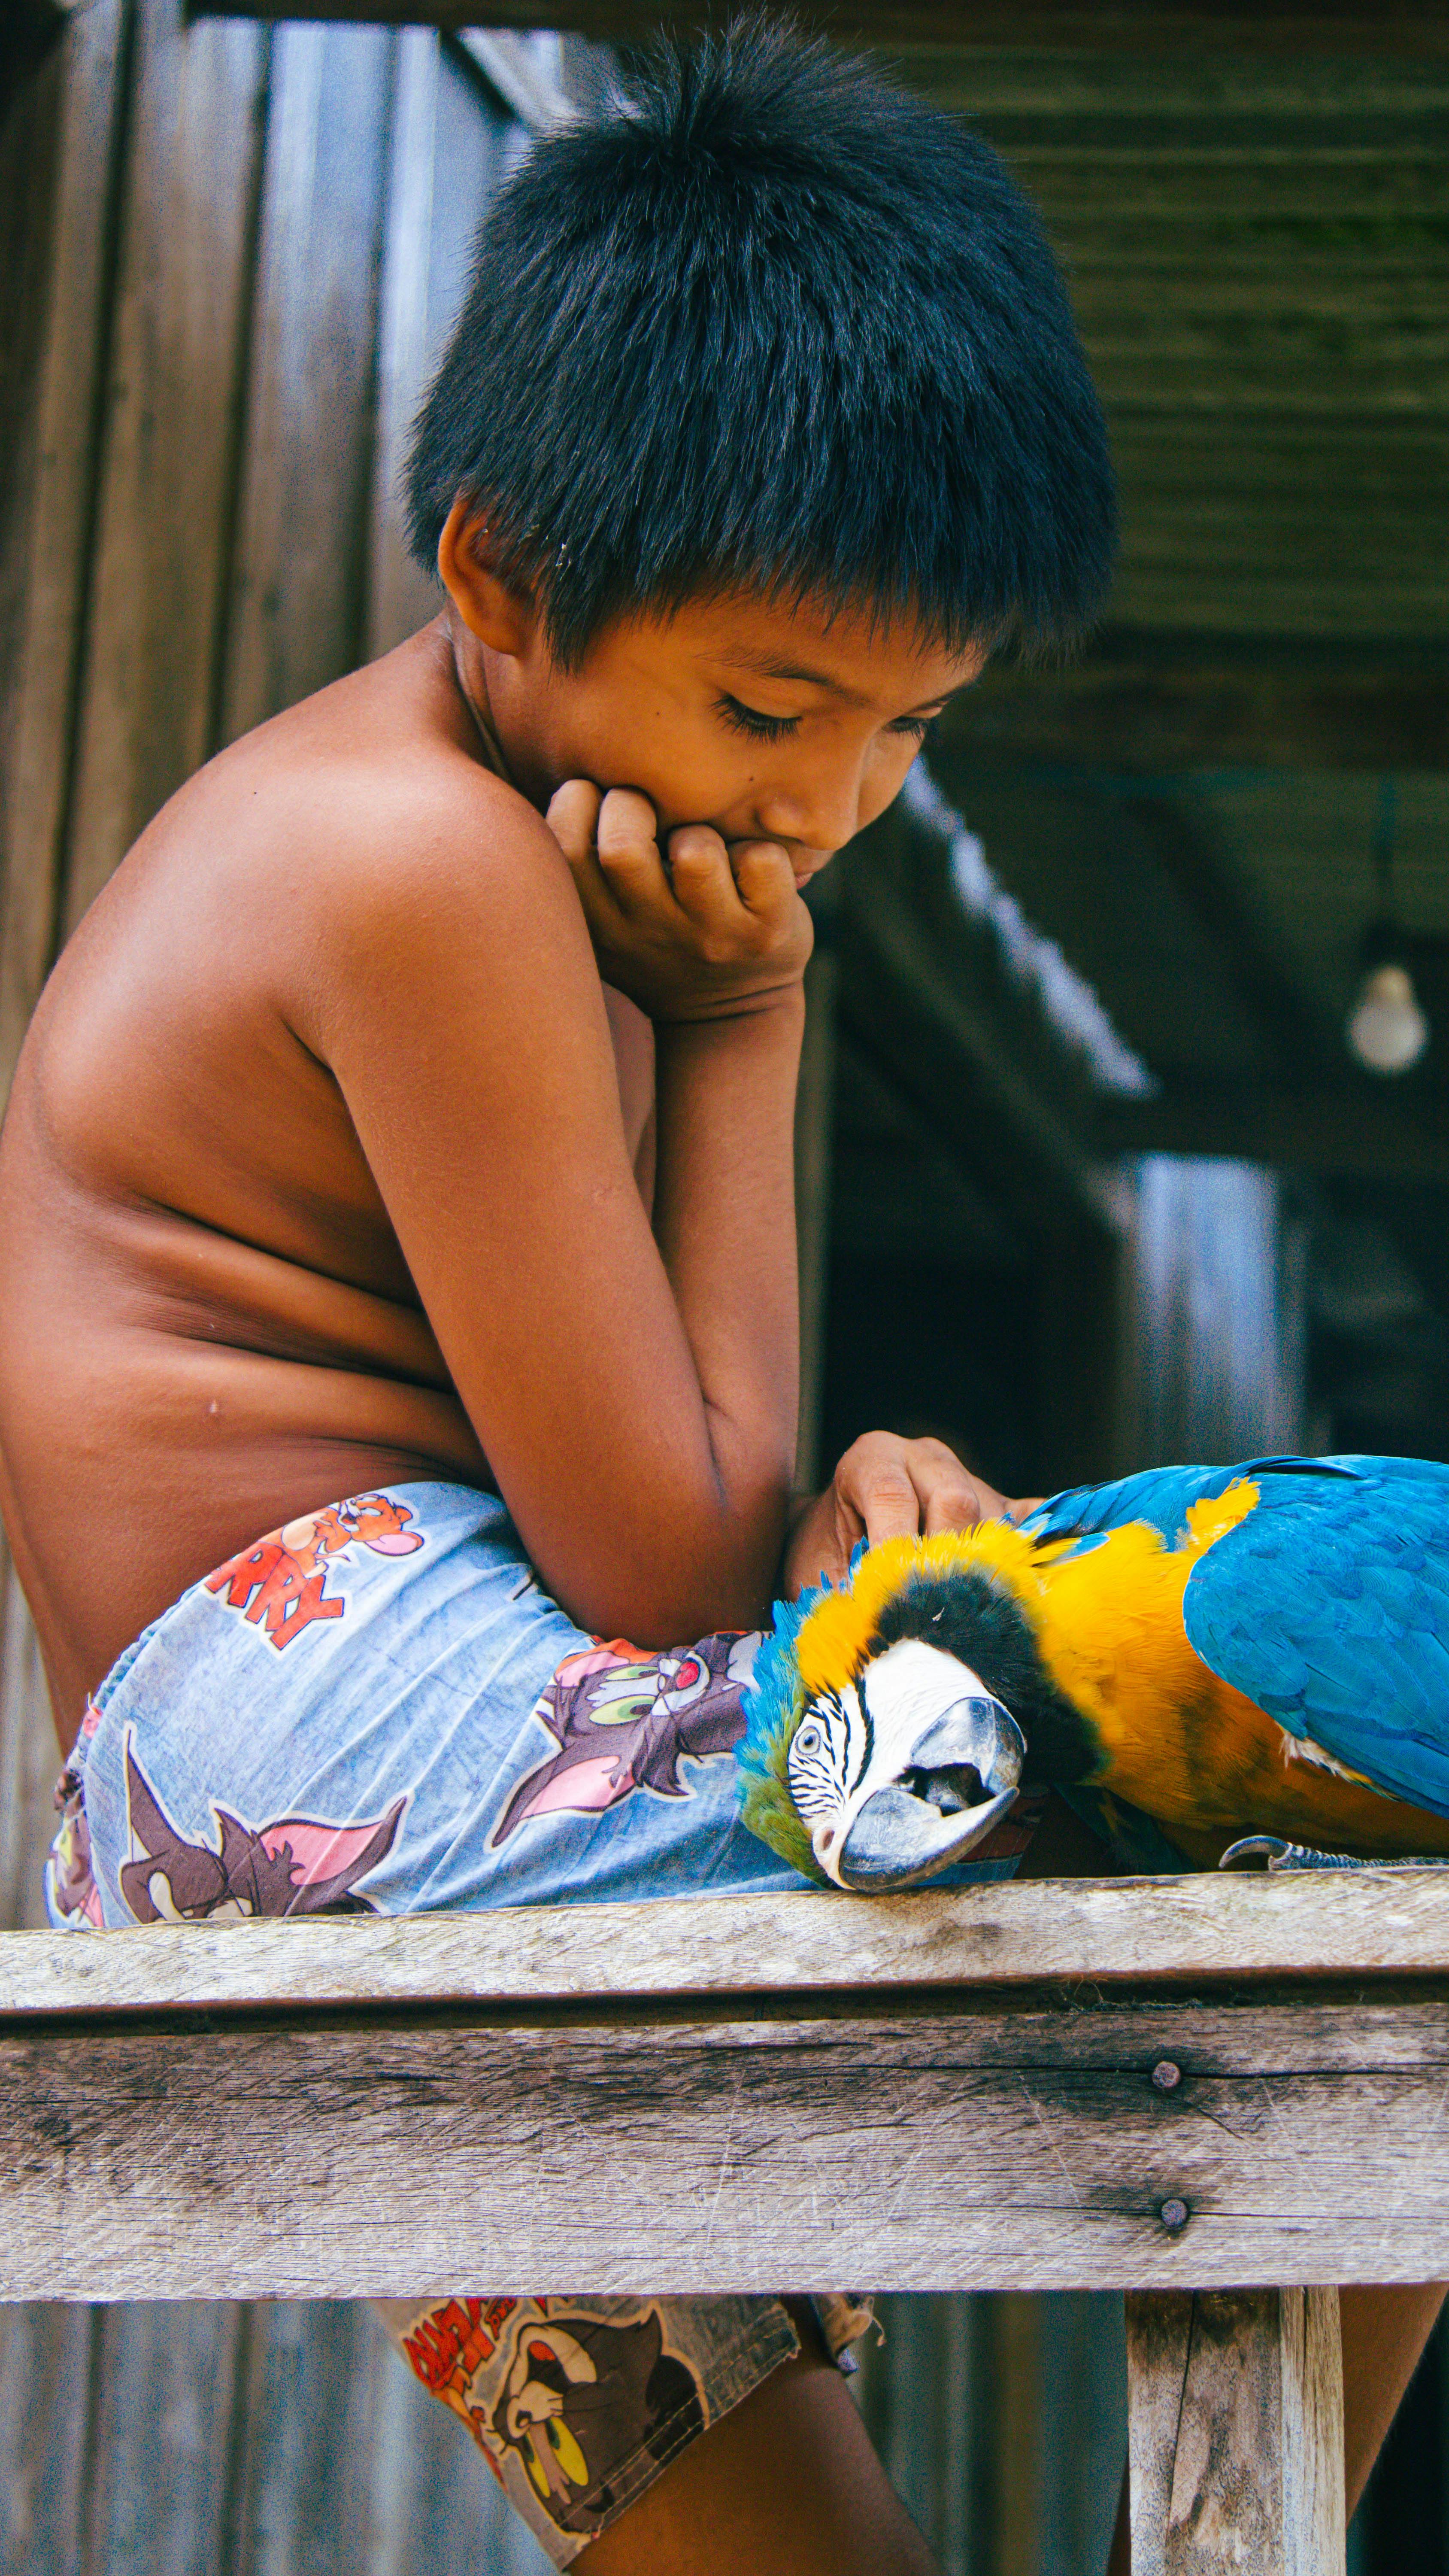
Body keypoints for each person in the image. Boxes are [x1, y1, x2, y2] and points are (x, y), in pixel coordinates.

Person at [0, 21, 1435, 2570]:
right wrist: (755, 1024)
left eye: (907, 734)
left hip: (278, 1764)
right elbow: (665, 1552)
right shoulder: (418, 871)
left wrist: (803, 1507)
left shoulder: (476, 834)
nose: (829, 802)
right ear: (497, 575)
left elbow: (674, 1486)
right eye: (776, 704)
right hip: (354, 1720)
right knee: (1337, 1656)